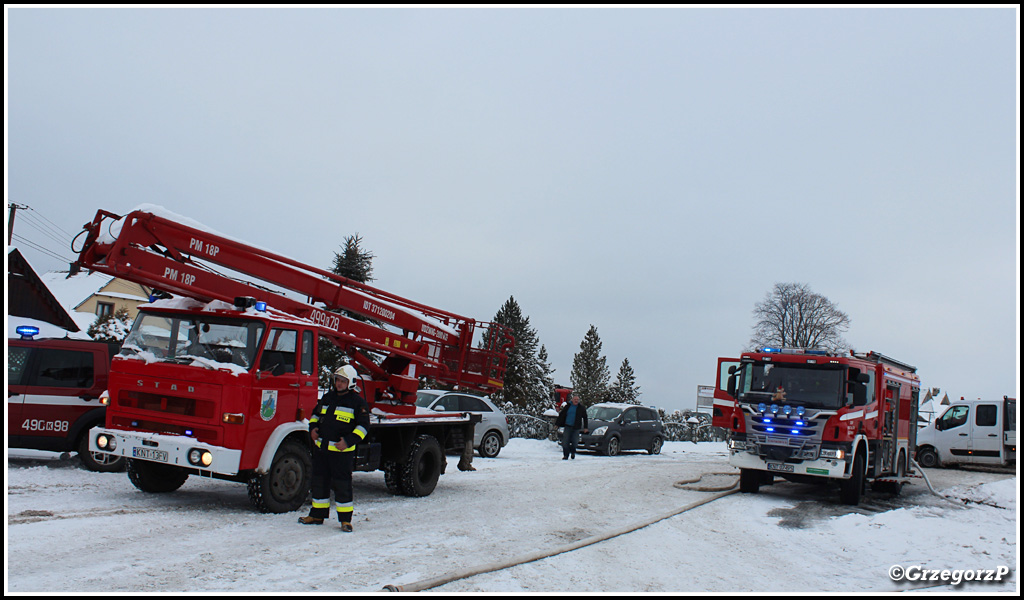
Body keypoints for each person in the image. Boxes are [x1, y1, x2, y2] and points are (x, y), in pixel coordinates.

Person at [298, 364, 370, 532]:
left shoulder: (357, 403)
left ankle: (345, 520)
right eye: (337, 380)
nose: (338, 384)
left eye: (343, 381)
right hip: (322, 450)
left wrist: (348, 441)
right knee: (319, 483)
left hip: (341, 453)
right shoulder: (328, 398)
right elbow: (315, 415)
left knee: (342, 485)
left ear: (350, 382)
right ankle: (317, 515)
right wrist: (313, 428)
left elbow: (364, 427)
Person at [555, 394, 588, 460]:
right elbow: (561, 415)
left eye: (577, 400)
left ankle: (573, 452)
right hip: (567, 426)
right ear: (572, 400)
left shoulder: (581, 408)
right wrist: (557, 424)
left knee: (575, 442)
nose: (576, 401)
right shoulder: (568, 406)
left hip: (576, 427)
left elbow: (585, 418)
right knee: (565, 442)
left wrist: (585, 427)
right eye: (575, 399)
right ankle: (565, 455)